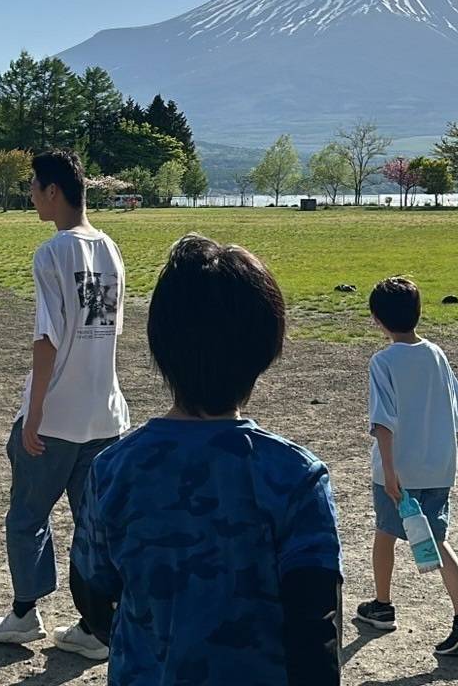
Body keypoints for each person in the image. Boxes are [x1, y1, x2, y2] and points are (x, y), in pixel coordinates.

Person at [69, 234, 343, 685]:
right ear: (265, 349)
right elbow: (317, 634)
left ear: (161, 345)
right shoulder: (295, 476)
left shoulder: (115, 469)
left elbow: (94, 599)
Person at [0, 149, 129, 658]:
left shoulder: (51, 253)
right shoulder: (111, 248)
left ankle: (25, 614)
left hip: (58, 417)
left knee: (27, 516)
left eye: (33, 186)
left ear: (53, 191)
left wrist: (37, 413)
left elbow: (47, 340)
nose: (29, 195)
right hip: (105, 412)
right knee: (92, 524)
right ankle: (96, 626)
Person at [355, 278, 458, 657]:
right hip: (439, 466)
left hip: (397, 469)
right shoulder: (436, 354)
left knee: (385, 533)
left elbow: (383, 422)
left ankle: (382, 604)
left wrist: (391, 473)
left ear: (376, 319)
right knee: (438, 538)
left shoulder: (383, 361)